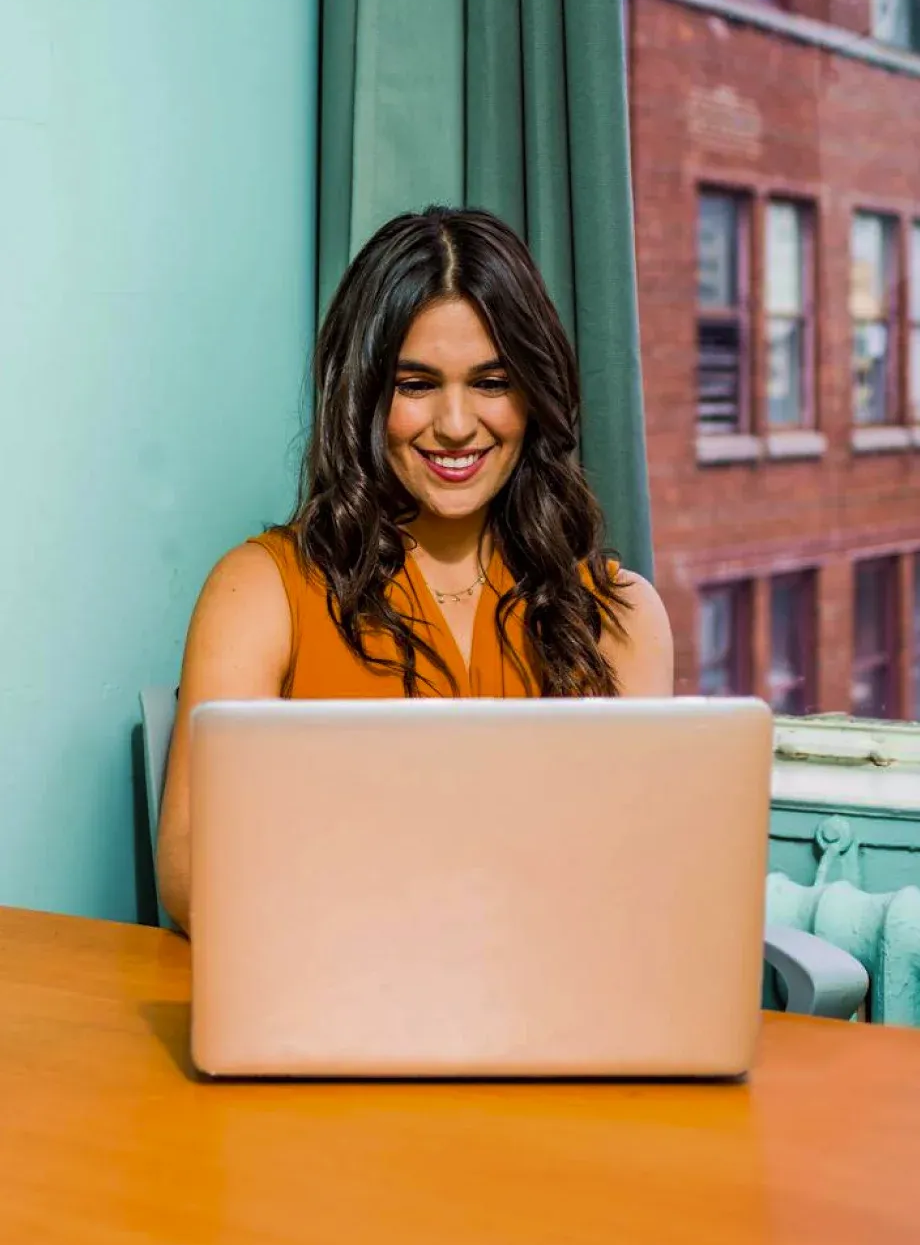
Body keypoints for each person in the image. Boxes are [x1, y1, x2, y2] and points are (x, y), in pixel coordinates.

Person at [157, 206, 674, 932]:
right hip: (335, 999)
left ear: (534, 393)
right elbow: (190, 880)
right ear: (367, 394)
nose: (457, 424)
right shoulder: (258, 592)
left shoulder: (621, 613)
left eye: (493, 381)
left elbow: (640, 882)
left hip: (556, 1015)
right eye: (416, 383)